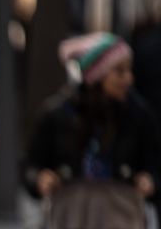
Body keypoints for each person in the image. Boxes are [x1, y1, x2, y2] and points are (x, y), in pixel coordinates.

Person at [24, 32, 161, 200]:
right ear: (97, 75)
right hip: (69, 219)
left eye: (129, 70)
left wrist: (150, 180)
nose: (129, 79)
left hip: (122, 218)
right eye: (119, 71)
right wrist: (41, 179)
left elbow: (154, 164)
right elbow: (29, 167)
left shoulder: (139, 116)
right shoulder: (58, 115)